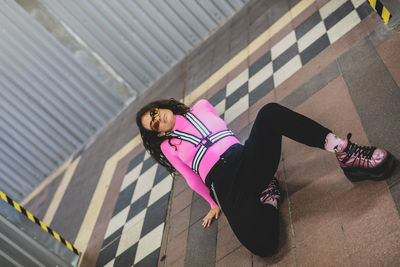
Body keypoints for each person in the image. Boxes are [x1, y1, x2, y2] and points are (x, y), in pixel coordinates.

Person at [136, 98, 395, 257]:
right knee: (264, 246)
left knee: (270, 113)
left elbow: (226, 135)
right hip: (225, 187)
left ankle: (344, 151)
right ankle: (269, 195)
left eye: (156, 113)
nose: (160, 119)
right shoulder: (168, 147)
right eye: (154, 124)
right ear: (157, 134)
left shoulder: (202, 107)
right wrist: (214, 204)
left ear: (161, 107)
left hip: (245, 161)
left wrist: (252, 155)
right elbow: (191, 178)